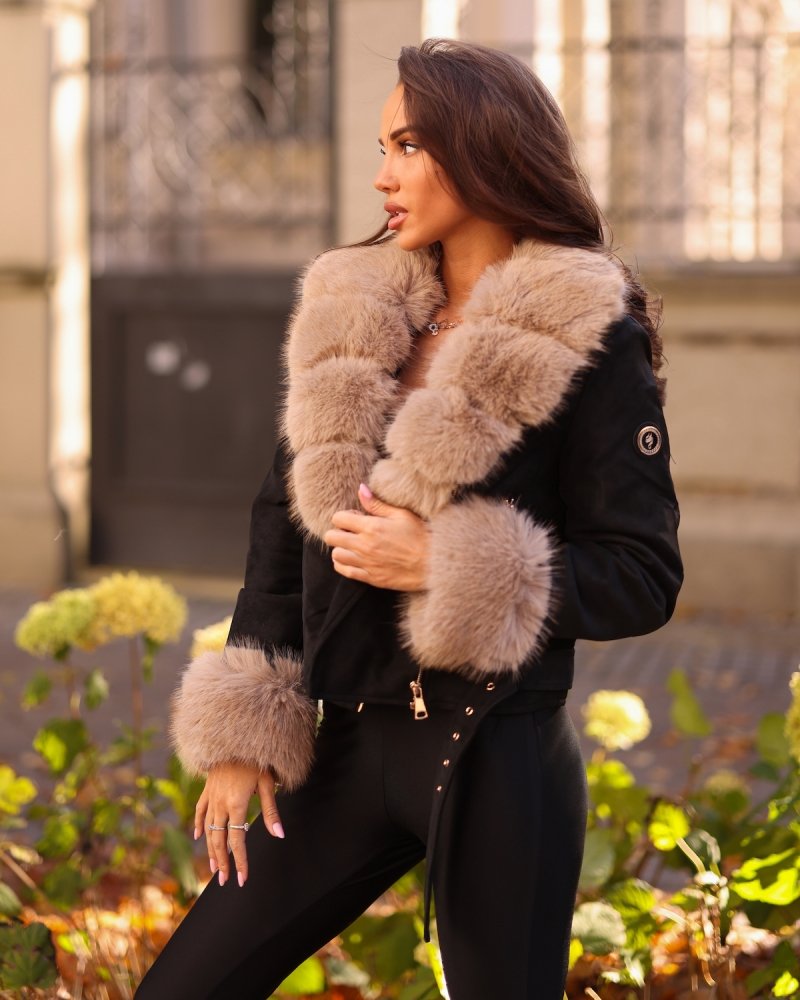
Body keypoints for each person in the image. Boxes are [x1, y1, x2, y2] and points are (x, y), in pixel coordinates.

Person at [136, 38, 682, 1000]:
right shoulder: (352, 312)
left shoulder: (592, 336)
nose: (382, 176)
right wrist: (245, 733)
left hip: (496, 755)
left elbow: (643, 573)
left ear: (483, 148)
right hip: (345, 746)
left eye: (408, 146)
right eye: (382, 148)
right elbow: (280, 533)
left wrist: (447, 565)